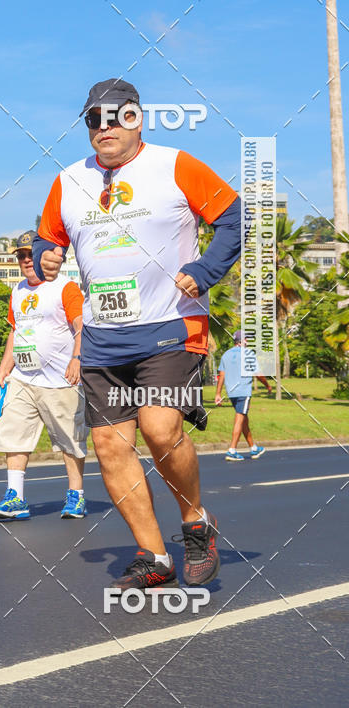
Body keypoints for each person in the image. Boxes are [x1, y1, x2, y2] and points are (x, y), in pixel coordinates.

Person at [32, 78, 241, 591]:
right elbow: (45, 237)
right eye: (93, 120)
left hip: (170, 323)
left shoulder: (175, 164)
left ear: (137, 119)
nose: (103, 128)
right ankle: (154, 556)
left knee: (160, 428)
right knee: (107, 443)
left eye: (114, 116)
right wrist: (44, 254)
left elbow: (235, 217)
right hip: (104, 335)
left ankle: (196, 524)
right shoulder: (68, 180)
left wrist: (207, 268)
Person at [0, 230, 88, 521]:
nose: (26, 260)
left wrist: (77, 358)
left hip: (60, 380)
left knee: (70, 439)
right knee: (13, 434)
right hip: (23, 378)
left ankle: (76, 496)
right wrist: (5, 366)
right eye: (21, 256)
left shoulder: (65, 287)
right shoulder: (17, 290)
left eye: (31, 254)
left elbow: (81, 325)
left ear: (44, 255)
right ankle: (15, 498)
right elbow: (15, 330)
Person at [215, 330, 272, 460]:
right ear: (240, 341)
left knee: (244, 420)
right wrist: (267, 385)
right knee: (240, 418)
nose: (248, 341)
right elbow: (258, 374)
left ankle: (253, 448)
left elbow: (221, 376)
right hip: (243, 392)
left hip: (232, 393)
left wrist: (218, 393)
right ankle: (232, 450)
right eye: (247, 339)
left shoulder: (226, 355)